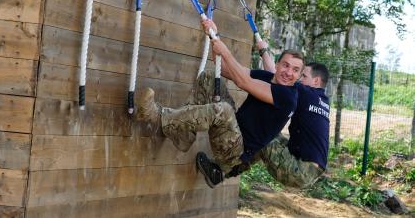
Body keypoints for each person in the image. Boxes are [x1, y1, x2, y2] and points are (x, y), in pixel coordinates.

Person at [136, 19, 304, 188]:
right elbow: (222, 68)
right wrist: (213, 36)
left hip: (235, 153)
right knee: (210, 77)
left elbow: (243, 82)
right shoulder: (266, 77)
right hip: (232, 130)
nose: (289, 72)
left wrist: (224, 49)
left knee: (222, 110)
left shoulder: (288, 97)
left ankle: (158, 116)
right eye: (286, 65)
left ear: (299, 76)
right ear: (277, 64)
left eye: (295, 70)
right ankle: (183, 136)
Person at [253, 40, 331, 188]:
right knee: (271, 133)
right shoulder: (323, 101)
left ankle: (223, 170)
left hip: (301, 170)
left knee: (260, 131)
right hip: (311, 169)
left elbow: (276, 75)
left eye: (304, 76)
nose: (299, 79)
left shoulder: (305, 93)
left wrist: (263, 51)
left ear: (315, 81)